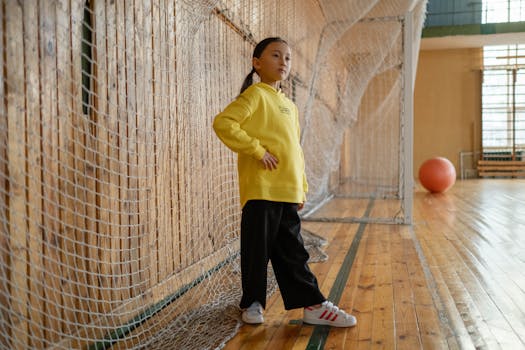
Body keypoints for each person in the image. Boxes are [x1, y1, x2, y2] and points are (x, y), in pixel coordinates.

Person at [213, 37, 356, 328]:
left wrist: (300, 186)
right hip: (261, 190)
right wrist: (256, 150)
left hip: (287, 192)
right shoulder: (255, 96)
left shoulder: (289, 106)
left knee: (293, 252)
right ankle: (252, 302)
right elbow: (223, 123)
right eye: (276, 55)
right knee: (257, 250)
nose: (283, 62)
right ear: (257, 63)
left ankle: (313, 305)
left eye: (288, 58)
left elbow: (294, 150)